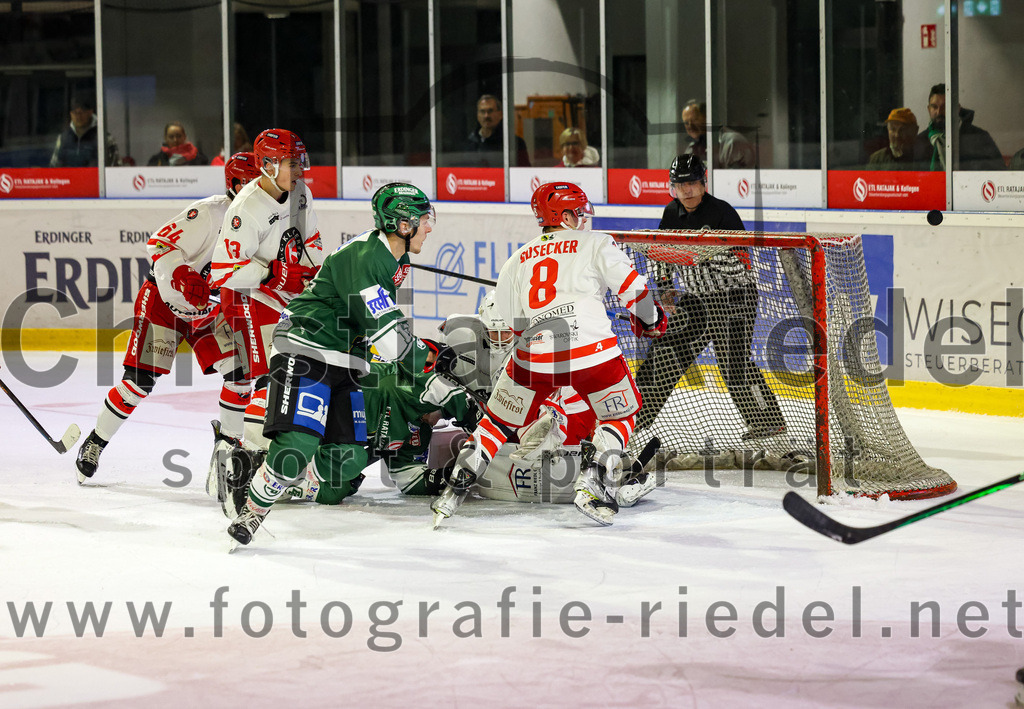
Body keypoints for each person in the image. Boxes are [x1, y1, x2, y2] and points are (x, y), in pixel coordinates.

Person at [430, 182, 668, 527]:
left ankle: (453, 492)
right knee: (621, 413)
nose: (583, 219)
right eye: (579, 213)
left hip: (533, 354)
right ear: (565, 216)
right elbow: (636, 292)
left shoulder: (517, 258)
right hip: (593, 353)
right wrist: (653, 320)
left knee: (495, 424)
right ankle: (593, 482)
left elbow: (513, 323)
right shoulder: (596, 242)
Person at [225, 182, 437, 545]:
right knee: (297, 446)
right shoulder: (367, 257)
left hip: (347, 359)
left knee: (348, 459)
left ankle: (268, 468)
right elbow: (388, 336)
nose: (429, 227)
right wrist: (432, 356)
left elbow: (381, 329)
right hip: (307, 349)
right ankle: (252, 510)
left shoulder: (392, 258)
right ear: (403, 225)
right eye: (423, 220)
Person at [75, 153, 262, 484]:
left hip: (208, 312)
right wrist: (181, 274)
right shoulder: (209, 213)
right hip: (163, 303)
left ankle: (226, 455)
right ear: (234, 185)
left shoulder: (263, 223)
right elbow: (159, 243)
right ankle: (95, 442)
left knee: (240, 377)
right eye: (251, 185)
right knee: (138, 384)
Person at [633, 154, 786, 443]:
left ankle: (769, 423)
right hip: (697, 300)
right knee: (665, 353)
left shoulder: (723, 213)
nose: (686, 190)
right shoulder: (671, 213)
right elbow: (661, 253)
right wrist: (665, 286)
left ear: (704, 183)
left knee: (733, 364)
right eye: (680, 185)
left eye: (691, 183)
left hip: (734, 297)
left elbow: (742, 266)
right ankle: (633, 419)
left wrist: (703, 254)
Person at [209, 128, 324, 493]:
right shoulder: (246, 208)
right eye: (292, 163)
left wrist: (315, 276)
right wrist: (274, 273)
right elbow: (222, 273)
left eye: (299, 161)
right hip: (246, 299)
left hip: (281, 298)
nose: (300, 170)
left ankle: (264, 463)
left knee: (294, 375)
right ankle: (241, 467)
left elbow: (311, 244)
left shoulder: (300, 193)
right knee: (266, 380)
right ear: (269, 165)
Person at [914, 83, 1004, 171]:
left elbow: (999, 173)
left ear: (957, 109)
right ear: (929, 109)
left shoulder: (978, 137)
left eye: (945, 107)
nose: (939, 112)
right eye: (934, 107)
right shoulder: (920, 142)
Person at [50, 93, 119, 167]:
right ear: (71, 114)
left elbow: (114, 168)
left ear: (90, 112)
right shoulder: (63, 138)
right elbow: (54, 167)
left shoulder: (105, 138)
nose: (78, 116)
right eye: (75, 113)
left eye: (82, 112)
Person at [681, 100, 755, 169]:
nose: (690, 126)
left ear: (707, 118)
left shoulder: (733, 143)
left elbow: (736, 177)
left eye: (695, 120)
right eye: (686, 123)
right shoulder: (691, 148)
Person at [464, 94, 531, 167]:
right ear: (477, 115)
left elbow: (524, 171)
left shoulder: (514, 143)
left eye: (490, 111)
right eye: (482, 111)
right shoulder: (470, 142)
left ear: (501, 114)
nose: (486, 116)